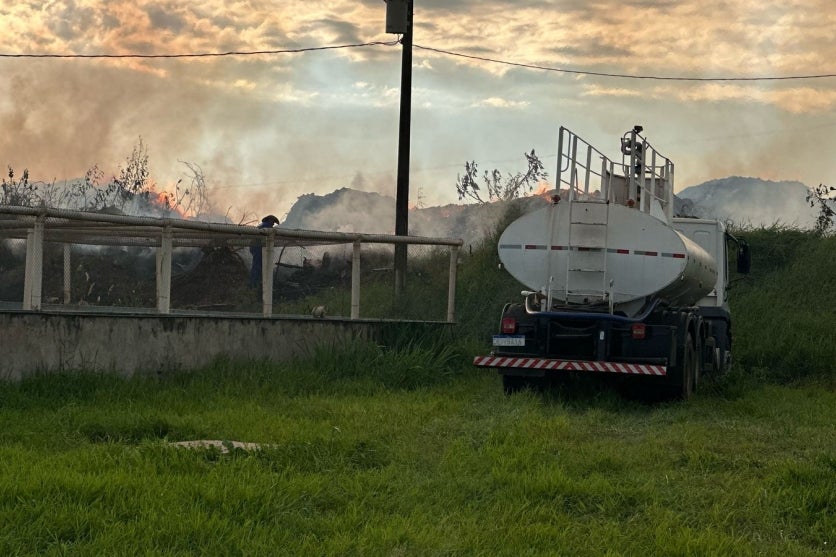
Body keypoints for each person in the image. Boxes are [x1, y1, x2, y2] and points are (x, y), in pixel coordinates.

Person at [250, 215, 280, 288]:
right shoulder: (266, 226)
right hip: (258, 248)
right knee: (258, 266)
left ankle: (255, 283)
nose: (273, 224)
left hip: (256, 247)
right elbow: (271, 232)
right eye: (273, 222)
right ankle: (255, 284)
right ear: (269, 220)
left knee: (257, 265)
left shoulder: (262, 226)